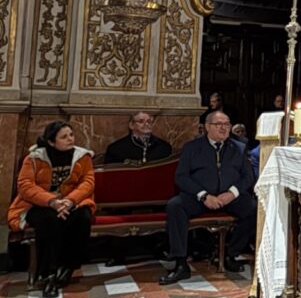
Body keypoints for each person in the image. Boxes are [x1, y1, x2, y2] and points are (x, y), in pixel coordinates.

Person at [159, 111, 257, 284]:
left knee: (254, 208)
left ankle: (230, 254)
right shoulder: (192, 147)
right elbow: (181, 177)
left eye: (226, 124)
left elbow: (248, 177)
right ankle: (181, 263)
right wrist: (203, 195)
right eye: (218, 124)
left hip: (229, 197)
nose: (223, 128)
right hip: (200, 197)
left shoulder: (239, 147)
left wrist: (232, 193)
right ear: (207, 127)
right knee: (175, 206)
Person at [7, 122, 96, 298]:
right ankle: (49, 275)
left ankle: (69, 267)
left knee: (83, 217)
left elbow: (88, 182)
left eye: (71, 135)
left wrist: (69, 201)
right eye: (64, 137)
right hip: (38, 204)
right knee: (49, 220)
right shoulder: (34, 158)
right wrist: (52, 201)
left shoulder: (82, 156)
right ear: (51, 142)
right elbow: (25, 186)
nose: (70, 139)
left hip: (71, 202)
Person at [103, 111, 173, 164]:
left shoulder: (164, 147)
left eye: (149, 121)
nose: (146, 124)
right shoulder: (115, 149)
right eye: (141, 121)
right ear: (131, 125)